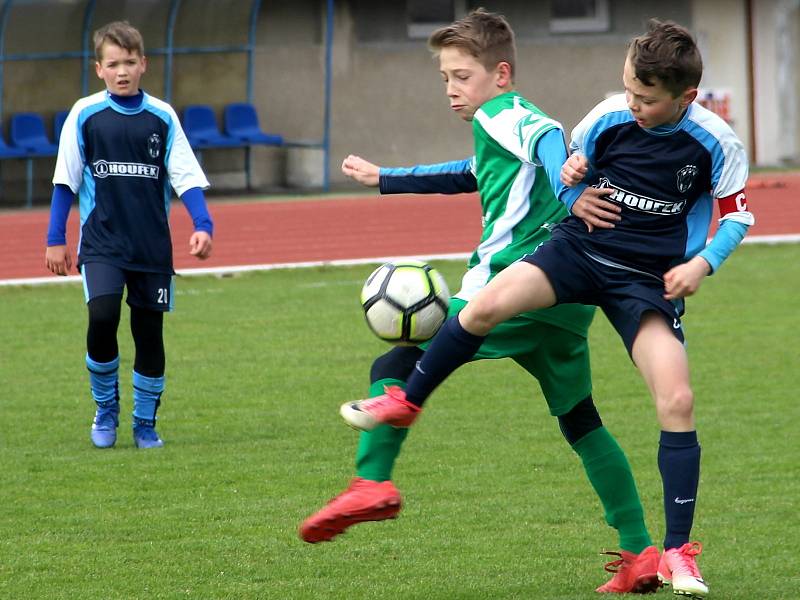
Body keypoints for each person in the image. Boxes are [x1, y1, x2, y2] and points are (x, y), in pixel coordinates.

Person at [342, 18, 755, 600]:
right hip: (575, 258)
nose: (632, 104)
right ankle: (405, 403)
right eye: (629, 90)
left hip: (633, 279)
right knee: (516, 343)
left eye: (646, 98)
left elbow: (734, 213)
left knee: (675, 398)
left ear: (685, 96)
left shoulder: (709, 141)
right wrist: (570, 189)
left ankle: (676, 552)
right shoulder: (608, 114)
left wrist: (702, 263)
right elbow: (549, 165)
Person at [301, 9, 662, 594]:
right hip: (564, 300)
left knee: (395, 362)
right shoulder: (493, 128)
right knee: (581, 420)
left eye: (461, 76)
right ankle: (639, 549)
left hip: (510, 285)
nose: (451, 89)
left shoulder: (508, 111)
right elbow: (469, 173)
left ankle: (372, 483)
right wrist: (386, 177)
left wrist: (569, 191)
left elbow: (547, 137)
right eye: (445, 77)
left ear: (500, 73)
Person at [45, 21, 213, 450]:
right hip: (101, 242)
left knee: (148, 333)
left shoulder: (162, 117)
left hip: (151, 247)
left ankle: (144, 422)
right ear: (98, 68)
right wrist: (55, 237)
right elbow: (66, 180)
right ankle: (105, 409)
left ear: (144, 65)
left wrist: (202, 224)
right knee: (102, 317)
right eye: (113, 63)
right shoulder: (84, 114)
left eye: (130, 62)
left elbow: (185, 177)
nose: (122, 71)